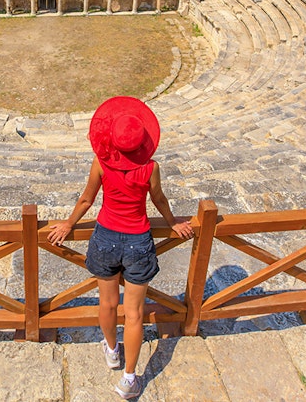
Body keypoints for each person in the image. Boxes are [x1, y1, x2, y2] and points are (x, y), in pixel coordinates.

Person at [48, 96, 194, 399]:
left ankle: (112, 350)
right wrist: (173, 222)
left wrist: (68, 224)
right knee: (135, 313)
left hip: (105, 238)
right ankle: (129, 378)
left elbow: (87, 199)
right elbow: (159, 200)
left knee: (107, 304)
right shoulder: (151, 168)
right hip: (139, 240)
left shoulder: (101, 163)